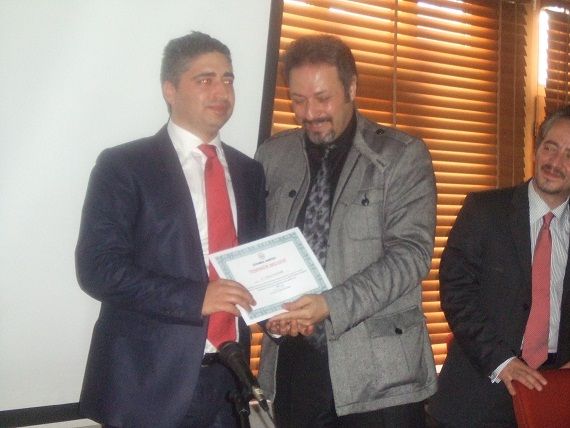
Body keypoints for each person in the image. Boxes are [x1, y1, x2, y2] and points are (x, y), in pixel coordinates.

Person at [75, 31, 266, 427]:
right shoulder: (125, 165)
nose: (222, 91)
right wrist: (197, 297)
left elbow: (251, 265)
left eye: (228, 79)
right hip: (147, 385)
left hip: (229, 382)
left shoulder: (249, 171)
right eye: (205, 80)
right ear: (170, 89)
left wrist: (275, 312)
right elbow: (98, 268)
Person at [255, 34, 438, 427]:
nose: (309, 113)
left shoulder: (401, 156)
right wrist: (270, 312)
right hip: (296, 368)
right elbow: (259, 251)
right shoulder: (272, 156)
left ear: (351, 88)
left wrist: (330, 304)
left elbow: (410, 255)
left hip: (381, 376)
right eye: (298, 100)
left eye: (322, 98)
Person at [428, 105, 570, 427]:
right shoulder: (484, 211)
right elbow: (456, 293)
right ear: (537, 148)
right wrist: (502, 361)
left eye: (568, 155)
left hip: (552, 395)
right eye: (550, 147)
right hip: (477, 394)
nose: (555, 162)